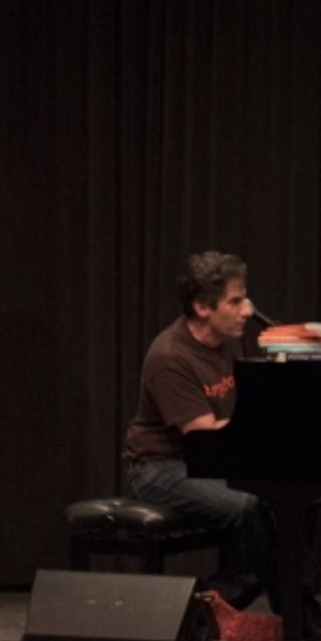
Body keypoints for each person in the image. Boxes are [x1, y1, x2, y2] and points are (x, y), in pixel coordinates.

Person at [122, 251, 277, 610]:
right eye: (235, 301)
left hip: (205, 461)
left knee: (287, 498)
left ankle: (214, 605)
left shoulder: (227, 340)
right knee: (249, 506)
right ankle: (202, 610)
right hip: (158, 467)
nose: (248, 310)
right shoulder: (171, 356)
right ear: (203, 307)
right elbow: (205, 437)